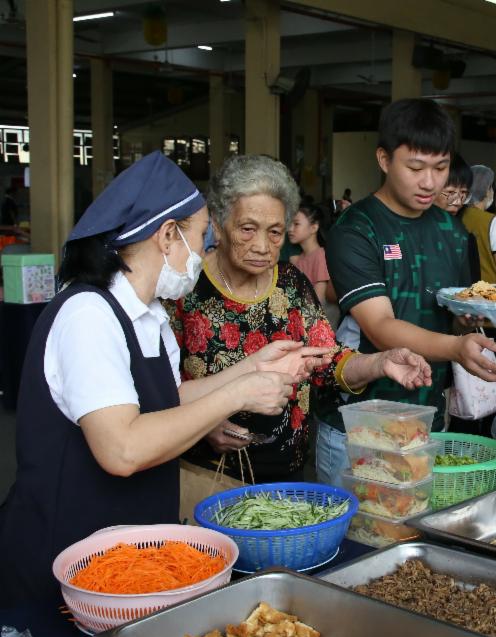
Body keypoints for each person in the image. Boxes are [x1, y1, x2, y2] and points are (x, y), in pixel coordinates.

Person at [0, 152, 320, 604]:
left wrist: (254, 366)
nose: (206, 252)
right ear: (168, 236)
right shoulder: (88, 315)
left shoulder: (148, 315)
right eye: (202, 236)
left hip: (130, 551)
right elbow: (122, 449)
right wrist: (239, 394)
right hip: (71, 555)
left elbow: (169, 399)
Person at [169, 154, 432, 483]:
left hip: (286, 473)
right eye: (248, 229)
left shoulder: (291, 284)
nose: (264, 246)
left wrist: (381, 363)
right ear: (220, 225)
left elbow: (328, 359)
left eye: (276, 232)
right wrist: (203, 423)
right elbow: (159, 392)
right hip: (207, 474)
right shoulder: (184, 290)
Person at [318, 98, 496, 483]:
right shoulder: (357, 229)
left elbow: (451, 313)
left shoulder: (450, 231)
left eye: (441, 167)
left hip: (427, 421)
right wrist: (456, 347)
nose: (430, 182)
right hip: (359, 425)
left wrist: (467, 320)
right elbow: (381, 326)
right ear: (384, 160)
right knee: (363, 539)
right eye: (416, 167)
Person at [460, 166, 496, 284]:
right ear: (487, 190)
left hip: (462, 291)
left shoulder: (457, 215)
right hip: (488, 294)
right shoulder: (494, 221)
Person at [288, 203, 335, 306]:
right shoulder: (299, 259)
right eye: (290, 224)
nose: (290, 229)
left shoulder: (320, 256)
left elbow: (319, 301)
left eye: (296, 224)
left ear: (314, 228)